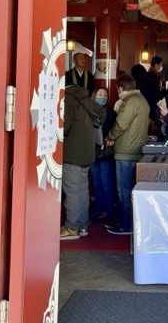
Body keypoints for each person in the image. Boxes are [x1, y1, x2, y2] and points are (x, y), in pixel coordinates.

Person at [104, 74, 150, 236]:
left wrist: (110, 136)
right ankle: (127, 222)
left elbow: (121, 124)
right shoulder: (142, 100)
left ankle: (125, 225)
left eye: (118, 90)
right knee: (130, 190)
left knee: (123, 191)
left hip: (126, 151)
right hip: (137, 149)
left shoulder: (130, 101)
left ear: (121, 89)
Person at [61, 82, 106, 240]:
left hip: (72, 151)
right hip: (87, 150)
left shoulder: (67, 98)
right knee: (82, 188)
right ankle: (82, 226)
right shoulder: (85, 98)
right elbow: (101, 112)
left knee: (72, 190)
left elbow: (63, 127)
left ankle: (72, 227)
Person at [89, 87, 117, 226]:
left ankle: (109, 211)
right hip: (92, 152)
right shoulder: (88, 111)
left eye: (105, 95)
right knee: (96, 183)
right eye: (99, 94)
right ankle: (97, 209)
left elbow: (109, 129)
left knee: (107, 183)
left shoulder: (111, 113)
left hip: (106, 153)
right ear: (94, 96)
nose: (102, 97)